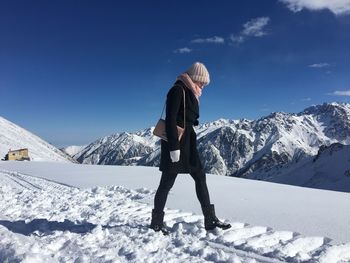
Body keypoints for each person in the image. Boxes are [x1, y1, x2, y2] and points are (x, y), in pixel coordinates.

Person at [150, 62, 232, 235]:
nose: (203, 86)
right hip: (177, 141)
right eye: (202, 82)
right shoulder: (178, 90)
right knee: (167, 182)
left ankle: (210, 220)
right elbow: (171, 119)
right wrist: (174, 147)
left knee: (200, 177)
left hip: (189, 141)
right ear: (195, 78)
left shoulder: (191, 91)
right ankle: (156, 223)